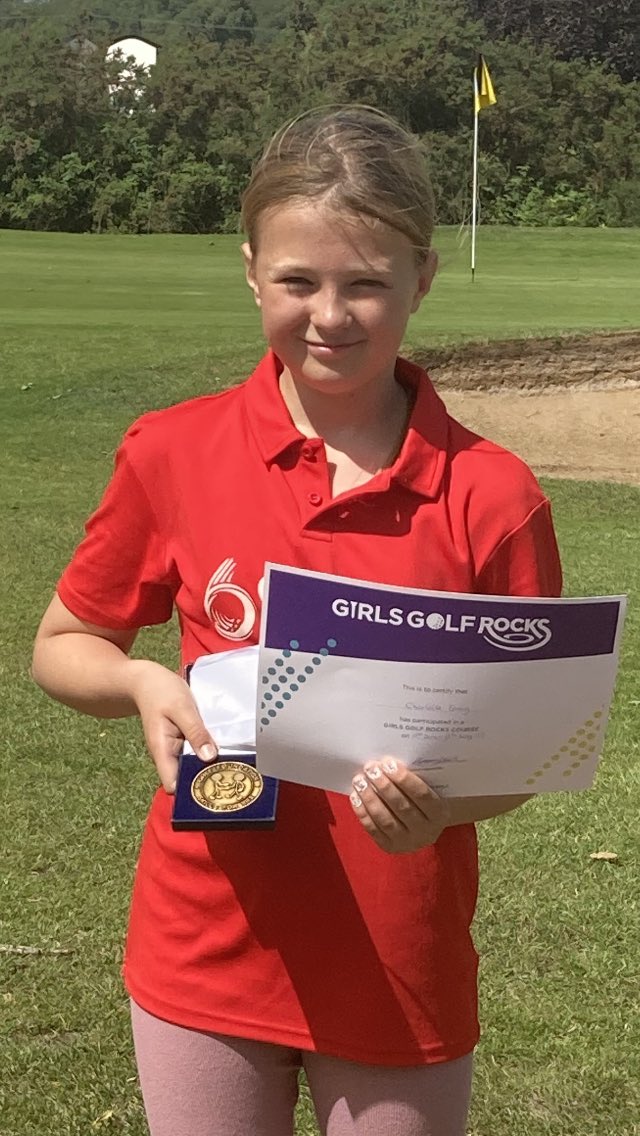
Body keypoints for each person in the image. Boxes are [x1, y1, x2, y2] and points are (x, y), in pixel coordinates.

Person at [32, 106, 562, 1136]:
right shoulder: (172, 452)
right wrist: (144, 681)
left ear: (421, 278)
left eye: (365, 281)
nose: (331, 314)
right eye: (298, 281)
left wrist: (448, 803)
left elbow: (527, 746)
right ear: (250, 271)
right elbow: (62, 644)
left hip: (398, 961)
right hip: (205, 945)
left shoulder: (493, 494)